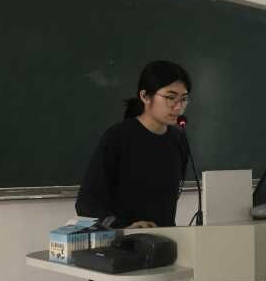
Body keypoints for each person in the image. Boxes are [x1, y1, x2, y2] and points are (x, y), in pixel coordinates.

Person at [75, 60, 191, 228]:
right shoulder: (118, 137)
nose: (178, 106)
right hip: (125, 239)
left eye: (184, 99)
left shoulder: (178, 139)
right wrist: (124, 226)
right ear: (145, 96)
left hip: (165, 238)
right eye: (170, 97)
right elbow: (86, 203)